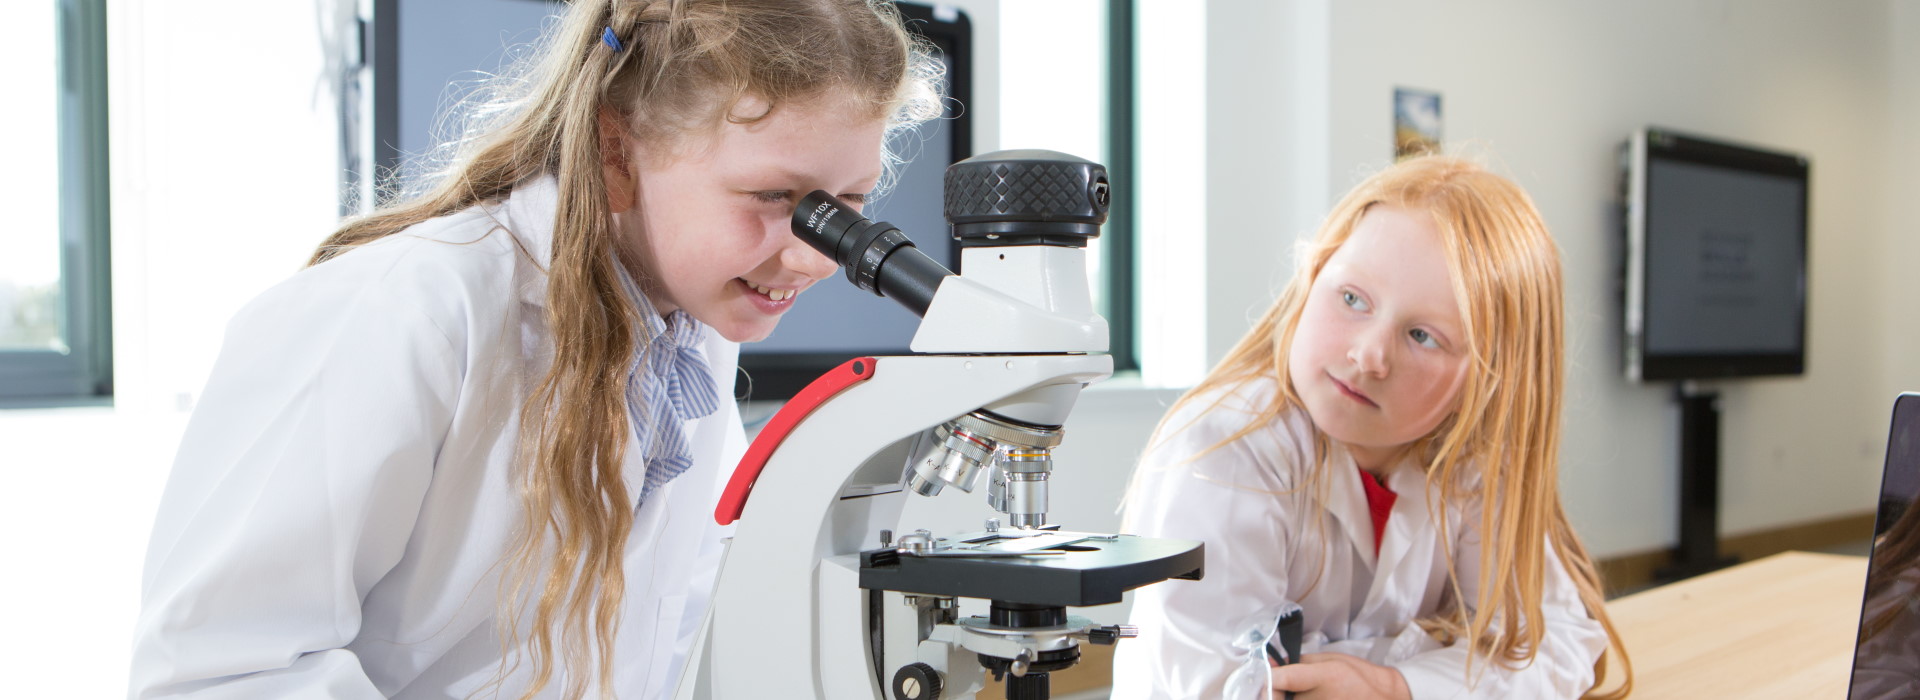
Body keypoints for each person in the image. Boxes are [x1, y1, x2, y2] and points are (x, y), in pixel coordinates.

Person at [128, 1, 940, 698]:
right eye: (775, 197)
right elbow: (220, 673)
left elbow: (669, 627)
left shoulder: (686, 332)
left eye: (849, 204)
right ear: (616, 151)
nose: (811, 253)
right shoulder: (403, 313)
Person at [1112, 156, 1632, 699]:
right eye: (1353, 298)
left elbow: (1559, 641)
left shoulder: (1470, 460)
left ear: (1489, 379)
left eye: (1422, 336)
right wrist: (1440, 655)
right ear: (1313, 275)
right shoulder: (1224, 449)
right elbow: (1225, 691)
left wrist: (1394, 686)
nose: (1368, 356)